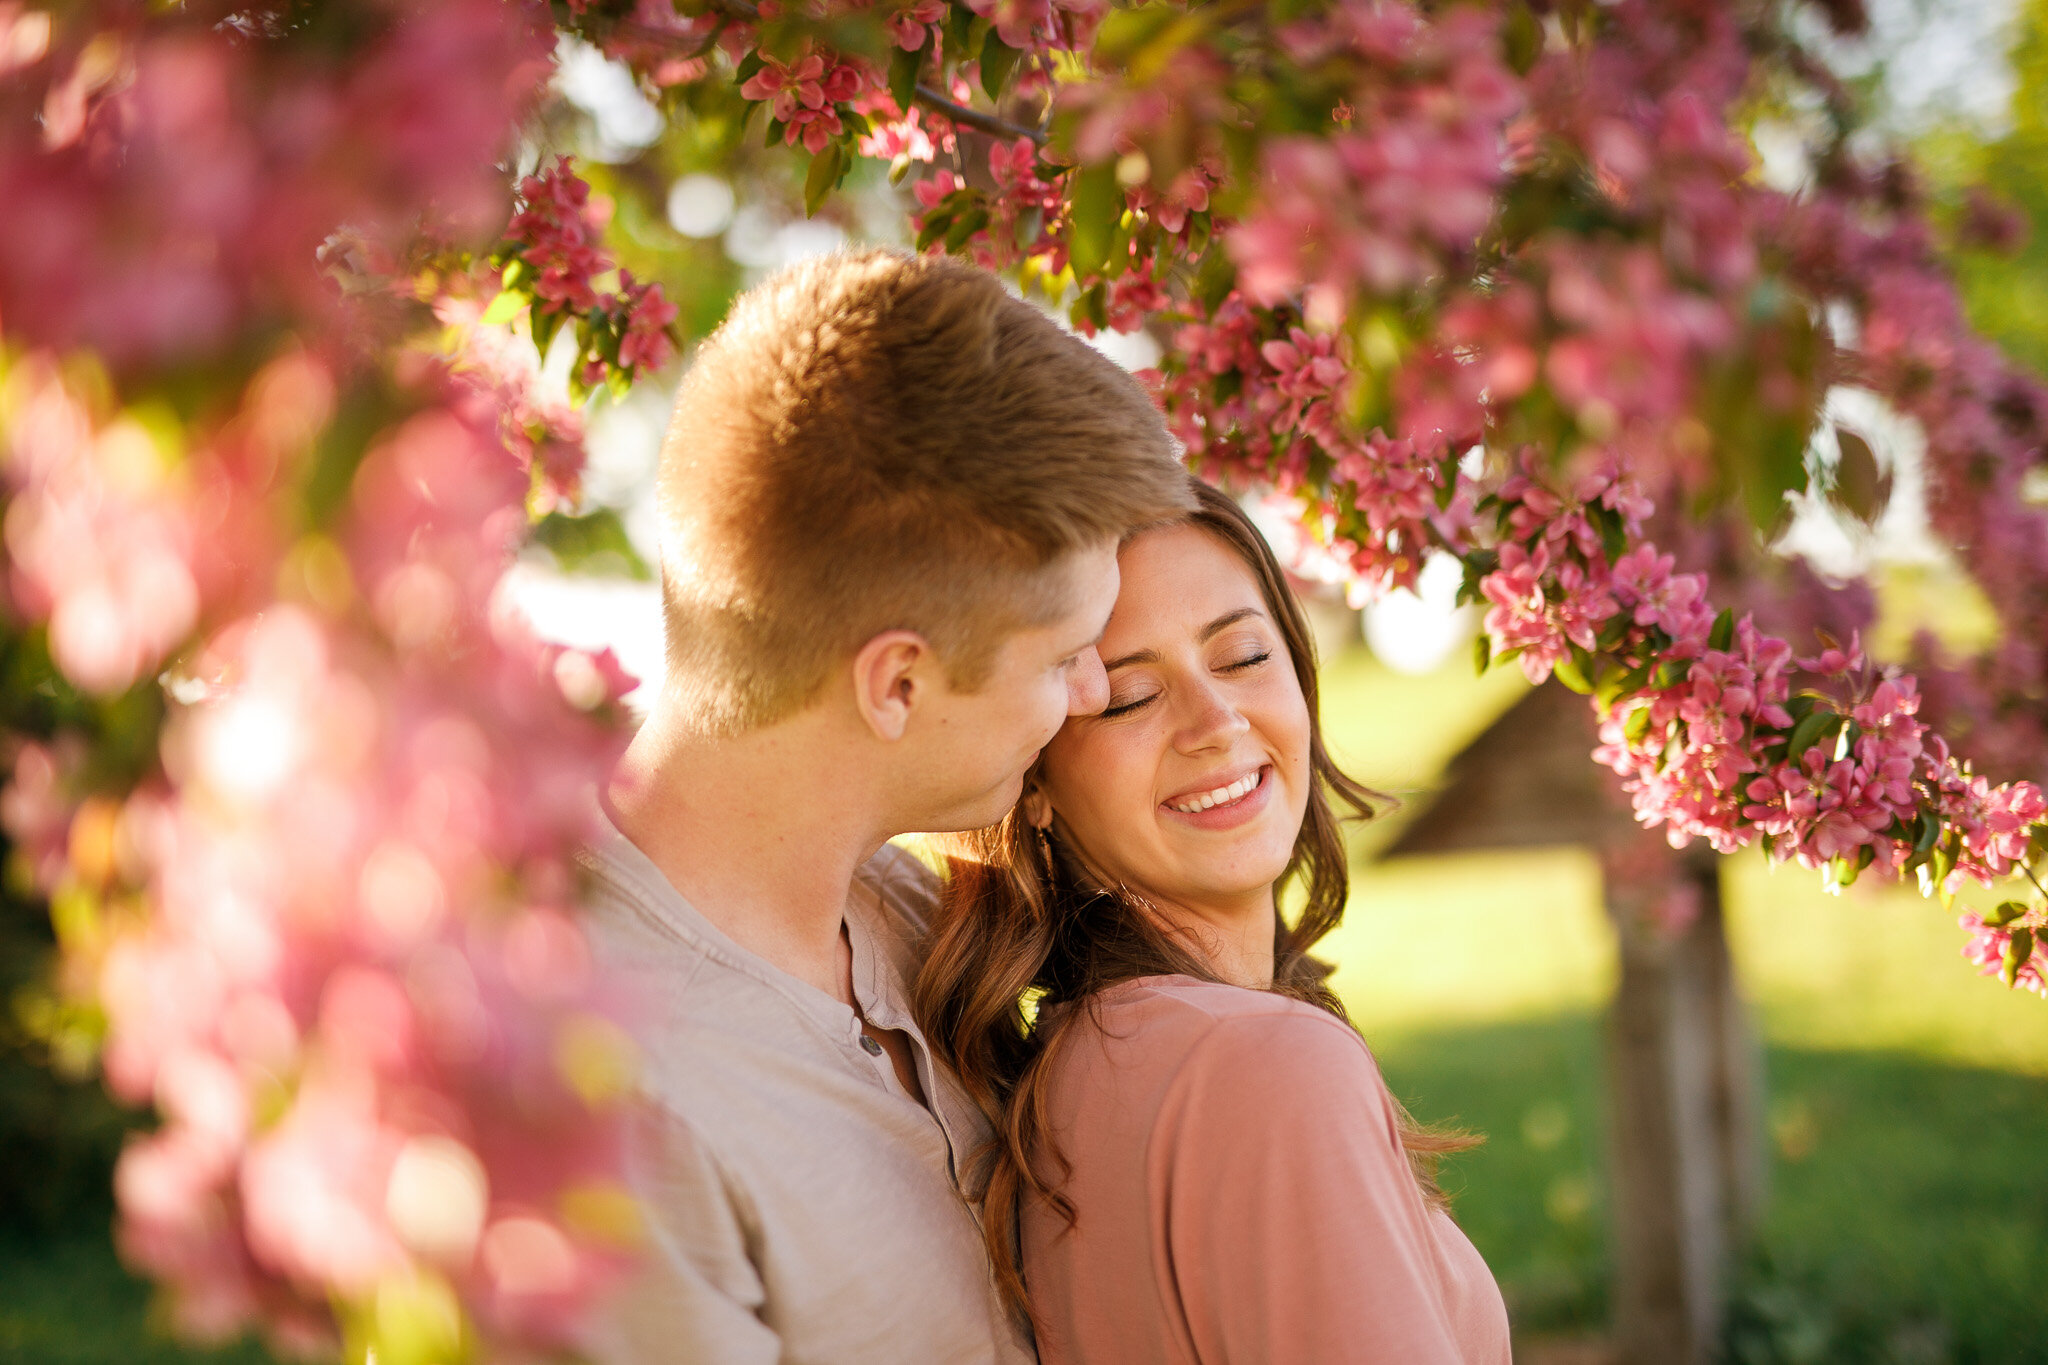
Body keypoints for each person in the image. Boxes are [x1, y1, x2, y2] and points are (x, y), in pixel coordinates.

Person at [579, 248, 1196, 1364]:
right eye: (1064, 656)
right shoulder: (602, 1105)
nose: (1093, 693)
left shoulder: (910, 914)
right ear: (897, 684)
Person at [917, 479, 1511, 1364]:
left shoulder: (1081, 1067)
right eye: (1128, 696)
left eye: (1240, 657)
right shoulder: (1269, 1071)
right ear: (1032, 779)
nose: (1216, 720)